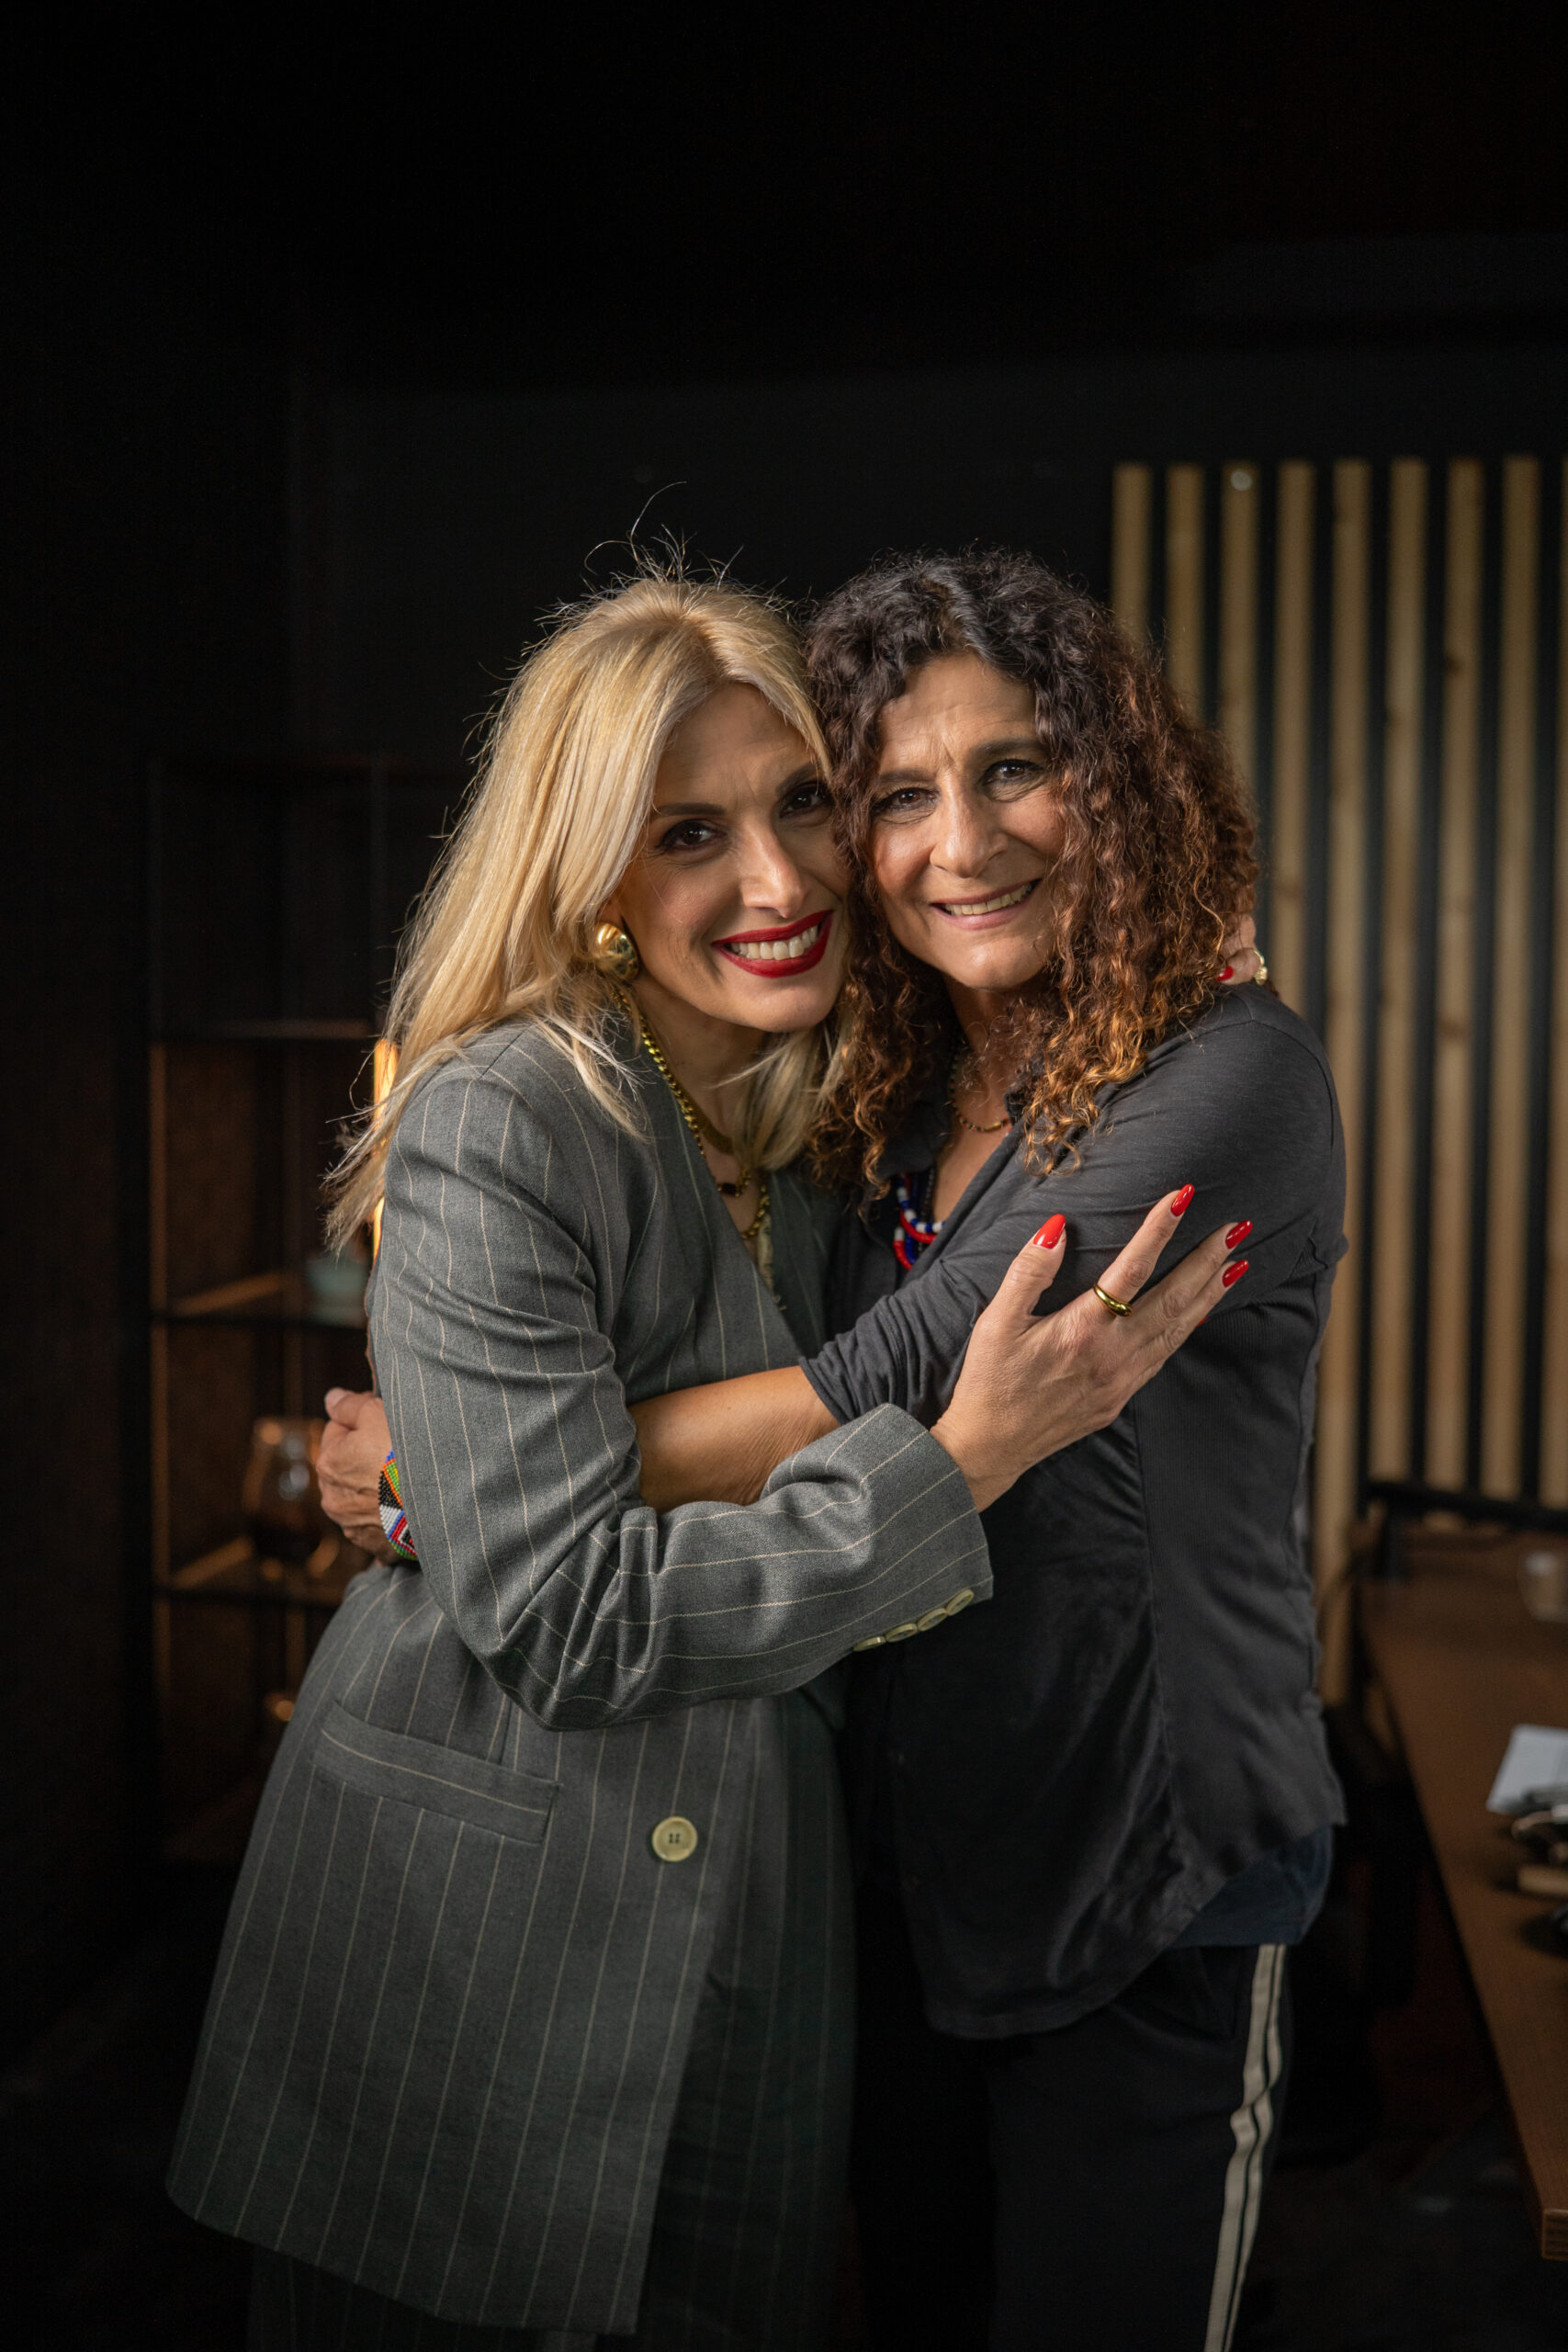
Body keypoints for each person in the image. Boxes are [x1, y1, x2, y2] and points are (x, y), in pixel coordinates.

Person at [167, 570, 1239, 2352]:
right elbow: (567, 1617)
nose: (780, 879)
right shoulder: (506, 1111)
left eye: (805, 803)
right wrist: (956, 1464)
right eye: (689, 833)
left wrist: (433, 1488)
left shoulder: (834, 1116)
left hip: (757, 1911)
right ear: (591, 876)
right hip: (476, 1934)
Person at [599, 551, 1348, 2352]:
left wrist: (474, 1473)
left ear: (1117, 778)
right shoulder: (891, 1086)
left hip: (1154, 1881)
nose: (962, 841)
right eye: (896, 795)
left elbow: (881, 1376)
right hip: (913, 1881)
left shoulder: (1228, 1074)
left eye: (1015, 767)